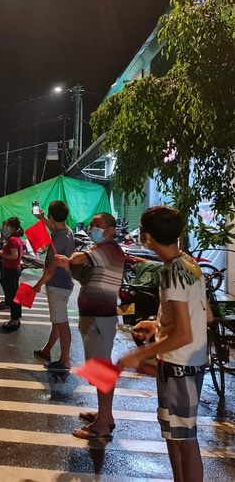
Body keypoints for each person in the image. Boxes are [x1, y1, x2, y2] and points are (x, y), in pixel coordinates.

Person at [117, 206, 211, 482]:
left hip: (178, 366)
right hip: (187, 364)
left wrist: (139, 354)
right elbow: (204, 315)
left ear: (146, 238)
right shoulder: (188, 264)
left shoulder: (171, 273)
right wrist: (157, 325)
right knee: (175, 435)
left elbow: (184, 334)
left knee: (184, 440)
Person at [55, 212, 124, 441]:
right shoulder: (104, 250)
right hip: (96, 318)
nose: (93, 228)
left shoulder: (107, 249)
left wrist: (70, 260)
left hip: (99, 318)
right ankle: (105, 415)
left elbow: (78, 258)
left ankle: (102, 424)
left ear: (110, 230)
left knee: (101, 370)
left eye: (98, 225)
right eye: (92, 224)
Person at [30, 201, 75, 372]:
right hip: (66, 283)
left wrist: (37, 285)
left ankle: (64, 361)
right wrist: (42, 219)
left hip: (56, 285)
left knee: (61, 324)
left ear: (51, 216)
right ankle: (46, 351)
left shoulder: (57, 237)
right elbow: (54, 229)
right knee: (57, 323)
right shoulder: (67, 232)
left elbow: (50, 270)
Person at [0, 217, 24, 331]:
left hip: (11, 270)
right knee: (15, 296)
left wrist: (0, 253)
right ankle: (16, 318)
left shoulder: (13, 240)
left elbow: (14, 256)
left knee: (12, 296)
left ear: (14, 228)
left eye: (8, 226)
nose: (6, 228)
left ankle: (14, 320)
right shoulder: (16, 238)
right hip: (14, 269)